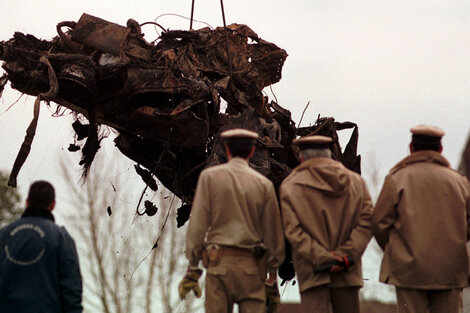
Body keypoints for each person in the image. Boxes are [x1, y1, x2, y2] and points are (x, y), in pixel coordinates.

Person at [178, 128, 285, 313]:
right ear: (252, 151)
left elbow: (198, 226)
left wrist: (193, 268)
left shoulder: (209, 178)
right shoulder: (264, 185)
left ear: (227, 150)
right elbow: (273, 234)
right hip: (252, 270)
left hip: (219, 267)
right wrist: (272, 279)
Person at [371, 125, 470, 313]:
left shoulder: (397, 179)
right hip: (450, 271)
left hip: (408, 271)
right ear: (440, 149)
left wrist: (396, 250)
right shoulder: (460, 182)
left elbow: (378, 223)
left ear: (411, 148)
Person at [280, 135, 373, 313]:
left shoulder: (291, 186)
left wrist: (324, 258)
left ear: (301, 158)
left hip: (313, 272)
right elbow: (367, 222)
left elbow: (293, 231)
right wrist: (346, 254)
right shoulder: (356, 183)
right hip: (348, 270)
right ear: (329, 154)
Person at [0, 180, 83, 313]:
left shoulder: (3, 236)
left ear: (27, 202)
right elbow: (72, 290)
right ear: (53, 205)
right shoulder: (61, 237)